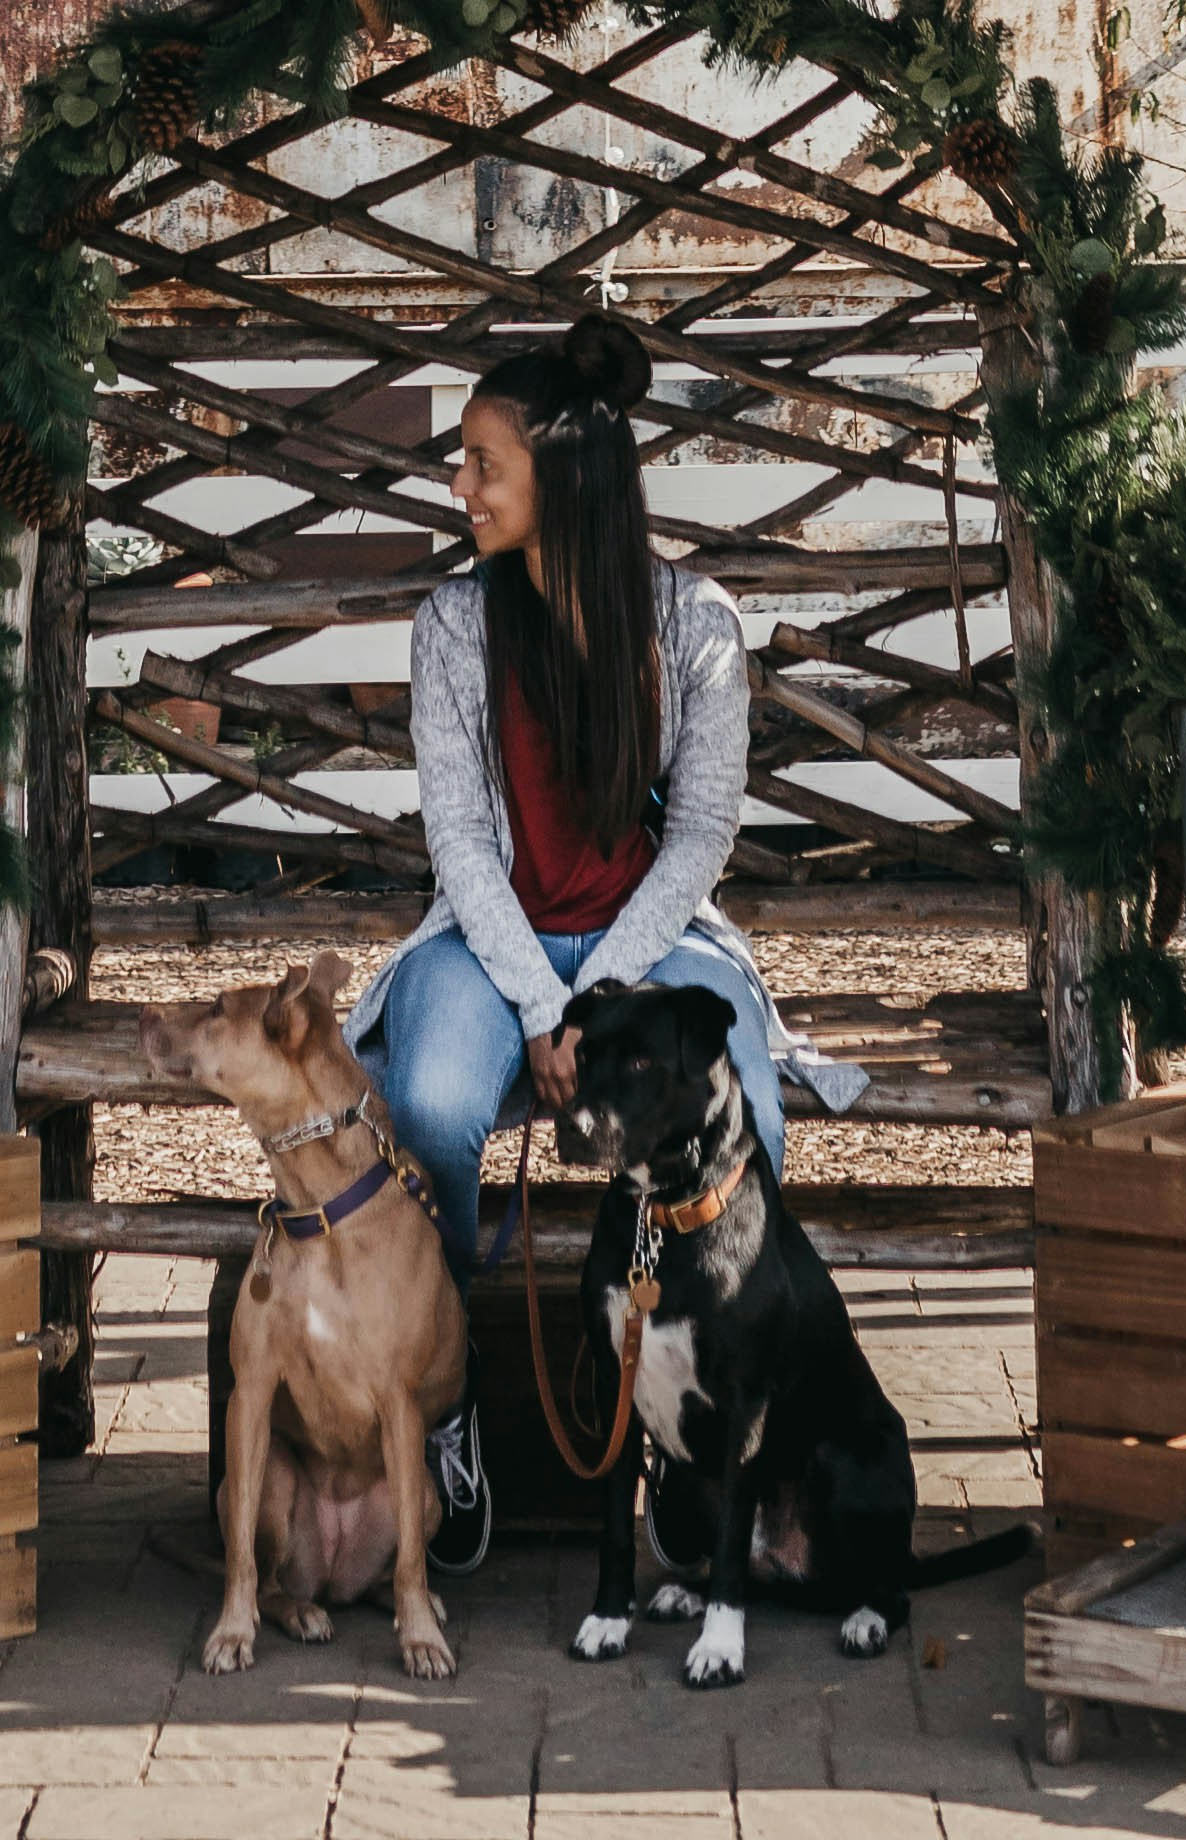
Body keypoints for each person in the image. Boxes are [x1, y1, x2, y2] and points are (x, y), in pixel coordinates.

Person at [347, 304, 858, 1570]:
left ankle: (720, 1437)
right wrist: (538, 1006)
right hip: (489, 937)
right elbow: (462, 843)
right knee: (433, 1098)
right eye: (461, 461)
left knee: (748, 1106)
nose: (458, 484)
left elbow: (697, 840)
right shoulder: (454, 628)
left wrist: (610, 989)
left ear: (561, 479)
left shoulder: (691, 625)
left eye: (483, 463)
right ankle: (447, 1404)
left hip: (650, 932)